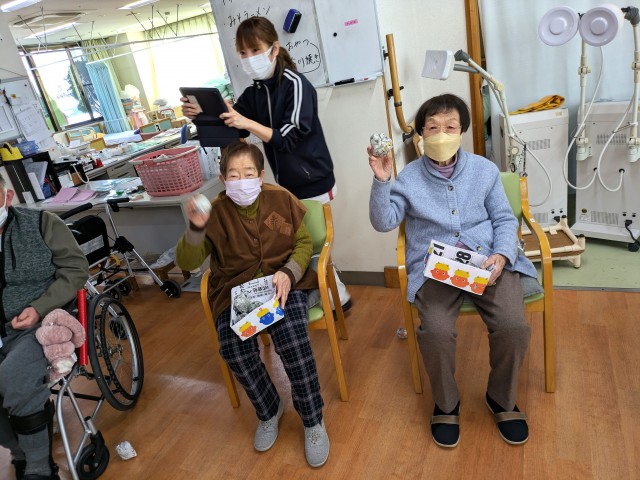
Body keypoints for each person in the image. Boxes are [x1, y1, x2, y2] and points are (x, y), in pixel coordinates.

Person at [368, 94, 538, 448]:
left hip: (485, 261)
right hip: (436, 268)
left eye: (450, 127)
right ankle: (446, 404)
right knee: (436, 331)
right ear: (421, 134)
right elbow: (384, 222)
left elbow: (505, 219)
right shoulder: (408, 177)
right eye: (433, 127)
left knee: (513, 326)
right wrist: (382, 181)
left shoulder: (484, 170)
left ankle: (501, 398)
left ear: (462, 132)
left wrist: (501, 255)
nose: (441, 134)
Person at [175, 141, 330, 468]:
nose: (242, 181)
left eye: (248, 173)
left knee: (293, 342)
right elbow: (188, 262)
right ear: (223, 179)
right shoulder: (214, 212)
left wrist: (289, 271)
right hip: (237, 292)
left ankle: (312, 419)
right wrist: (195, 228)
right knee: (233, 349)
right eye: (233, 175)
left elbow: (304, 242)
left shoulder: (280, 199)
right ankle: (269, 408)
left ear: (260, 176)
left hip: (281, 283)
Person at [180, 16, 351, 311]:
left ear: (274, 49)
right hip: (285, 183)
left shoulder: (297, 85)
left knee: (313, 243)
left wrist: (246, 122)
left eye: (255, 50)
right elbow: (231, 129)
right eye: (243, 53)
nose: (249, 58)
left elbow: (289, 137)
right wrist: (201, 115)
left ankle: (335, 296)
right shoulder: (255, 93)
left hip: (313, 179)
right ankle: (332, 294)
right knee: (298, 241)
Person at [0, 173, 89, 479]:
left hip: (40, 324)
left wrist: (39, 308)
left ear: (7, 197)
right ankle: (20, 451)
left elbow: (76, 269)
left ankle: (39, 465)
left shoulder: (42, 224)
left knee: (14, 376)